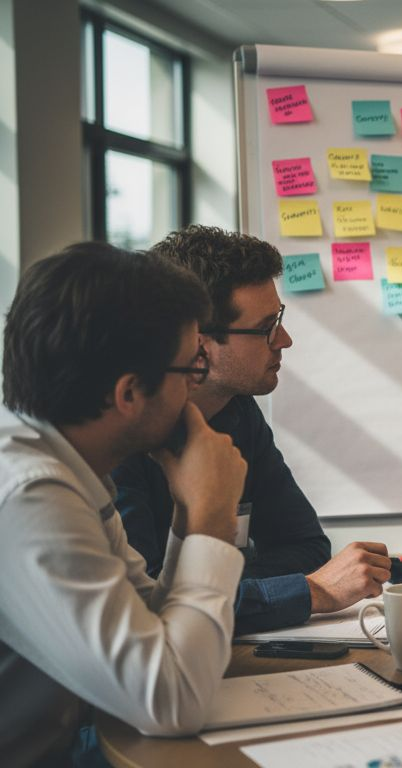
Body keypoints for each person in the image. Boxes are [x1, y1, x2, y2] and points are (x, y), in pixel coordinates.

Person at [0, 243, 249, 764]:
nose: (194, 388)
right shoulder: (31, 495)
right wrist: (211, 520)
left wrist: (187, 517)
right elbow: (171, 699)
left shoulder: (72, 469)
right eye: (190, 369)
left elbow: (153, 632)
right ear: (130, 393)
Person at [113, 226, 391, 635]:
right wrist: (311, 592)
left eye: (279, 319)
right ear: (200, 344)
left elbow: (306, 548)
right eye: (265, 328)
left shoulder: (238, 411)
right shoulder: (120, 436)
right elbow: (152, 602)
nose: (285, 340)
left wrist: (226, 589)